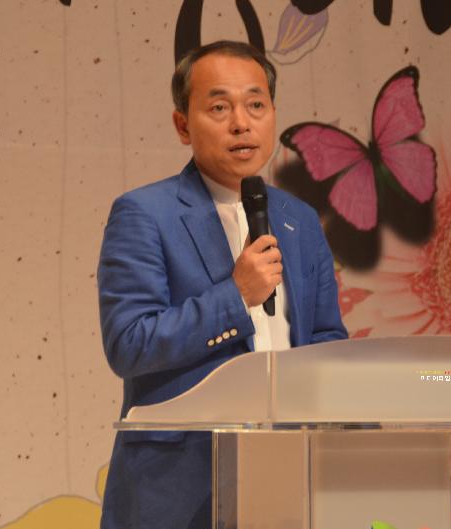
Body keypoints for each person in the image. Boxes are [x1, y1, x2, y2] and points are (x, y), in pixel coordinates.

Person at [97, 40, 347, 529]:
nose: (241, 123)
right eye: (219, 107)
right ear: (182, 125)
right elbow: (129, 343)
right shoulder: (145, 213)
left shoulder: (299, 219)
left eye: (256, 105)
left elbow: (325, 341)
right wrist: (235, 296)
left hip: (286, 475)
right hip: (179, 488)